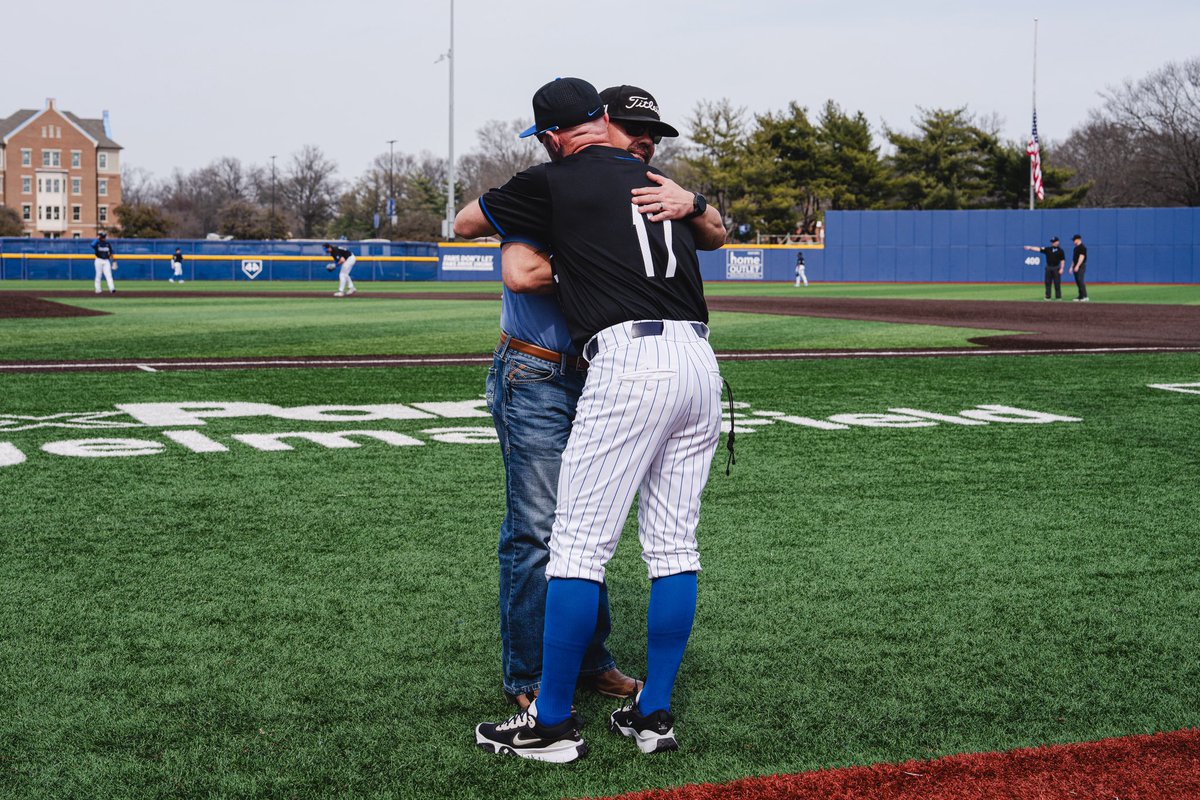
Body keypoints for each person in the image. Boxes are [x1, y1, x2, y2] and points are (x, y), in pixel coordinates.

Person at [459, 77, 724, 763]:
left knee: (575, 547)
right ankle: (652, 714)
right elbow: (714, 235)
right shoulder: (653, 186)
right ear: (603, 121)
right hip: (699, 360)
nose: (644, 142)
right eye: (636, 130)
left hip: (628, 362)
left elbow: (463, 225)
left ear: (552, 137)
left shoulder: (560, 182)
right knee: (673, 547)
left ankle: (550, 723)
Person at [1070, 234, 1089, 301]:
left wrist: (1077, 266)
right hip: (1076, 266)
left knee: (1080, 280)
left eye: (1074, 240)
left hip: (1081, 266)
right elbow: (1074, 259)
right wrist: (1071, 267)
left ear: (1078, 239)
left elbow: (1081, 257)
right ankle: (1080, 296)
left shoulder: (1082, 247)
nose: (1073, 241)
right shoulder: (1075, 248)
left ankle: (1085, 296)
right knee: (1078, 281)